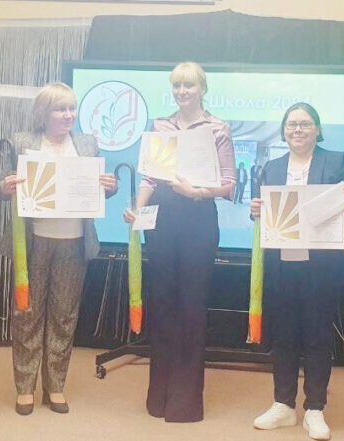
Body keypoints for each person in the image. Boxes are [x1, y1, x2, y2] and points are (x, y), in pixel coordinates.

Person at [251, 102, 344, 440]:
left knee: (318, 337)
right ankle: (283, 405)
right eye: (292, 124)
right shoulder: (272, 167)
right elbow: (263, 216)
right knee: (283, 337)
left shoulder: (336, 161)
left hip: (322, 267)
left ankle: (315, 408)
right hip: (282, 265)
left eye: (305, 124)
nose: (298, 130)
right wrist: (257, 210)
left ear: (317, 129)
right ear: (283, 130)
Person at [0, 82, 117, 416]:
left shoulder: (87, 144)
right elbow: (0, 187)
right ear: (43, 113)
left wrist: (109, 186)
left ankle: (55, 386)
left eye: (71, 108)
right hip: (34, 242)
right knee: (27, 316)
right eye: (60, 109)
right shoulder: (22, 142)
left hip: (74, 243)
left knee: (64, 317)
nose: (68, 115)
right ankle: (25, 388)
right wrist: (5, 186)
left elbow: (101, 189)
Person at [124, 62, 235, 422]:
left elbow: (230, 185)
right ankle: (159, 397)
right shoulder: (160, 126)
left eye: (189, 85)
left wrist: (197, 192)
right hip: (162, 221)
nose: (182, 92)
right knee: (162, 304)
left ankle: (185, 403)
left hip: (199, 221)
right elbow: (149, 178)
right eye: (177, 86)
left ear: (203, 88)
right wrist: (137, 210)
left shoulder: (218, 128)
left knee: (191, 306)